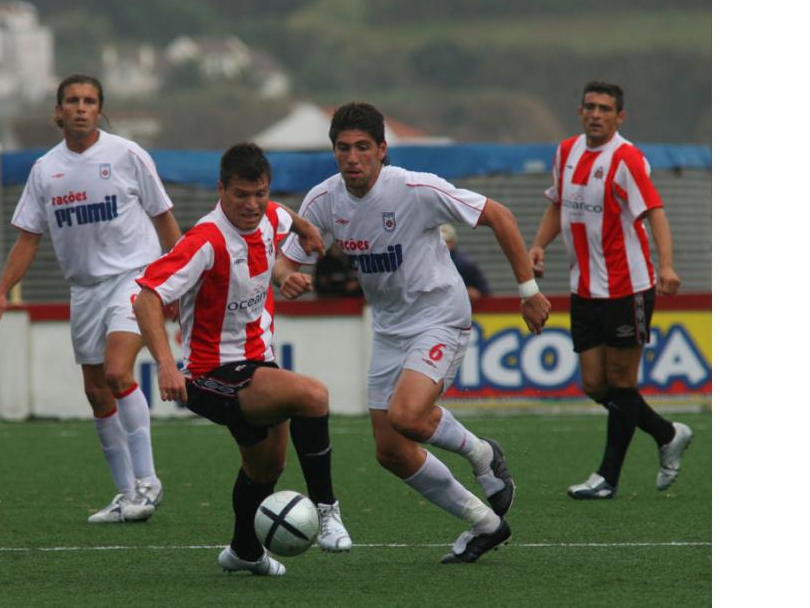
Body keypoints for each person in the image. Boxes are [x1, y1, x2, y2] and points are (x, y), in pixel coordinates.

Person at [275, 102, 551, 565]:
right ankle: (485, 524)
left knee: (406, 416)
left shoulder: (415, 189)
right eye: (343, 148)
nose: (353, 157)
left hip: (440, 315)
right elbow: (287, 259)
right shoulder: (323, 201)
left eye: (363, 147)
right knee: (391, 451)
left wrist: (528, 291)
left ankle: (482, 453)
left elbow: (499, 215)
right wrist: (285, 275)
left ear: (382, 151)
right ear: (334, 153)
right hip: (389, 328)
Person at [133, 143, 352, 576]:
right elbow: (147, 297)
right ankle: (328, 512)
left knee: (266, 467)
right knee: (311, 395)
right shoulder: (206, 240)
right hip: (209, 376)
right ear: (221, 190)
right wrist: (163, 362)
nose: (252, 205)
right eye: (240, 195)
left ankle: (244, 551)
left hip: (257, 364)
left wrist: (302, 236)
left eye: (260, 193)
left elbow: (283, 215)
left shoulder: (269, 216)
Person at [0, 74, 180, 523]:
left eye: (89, 101)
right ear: (58, 112)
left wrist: (176, 282)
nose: (80, 108)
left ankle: (149, 482)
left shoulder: (128, 155)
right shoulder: (44, 170)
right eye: (72, 101)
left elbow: (165, 219)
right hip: (85, 289)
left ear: (100, 110)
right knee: (97, 394)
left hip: (135, 278)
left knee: (117, 371)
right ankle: (126, 494)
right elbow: (27, 240)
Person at [528, 81, 693, 500]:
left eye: (605, 108)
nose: (596, 114)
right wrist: (537, 245)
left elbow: (654, 213)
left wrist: (667, 265)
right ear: (580, 111)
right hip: (583, 287)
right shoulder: (566, 152)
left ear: (620, 117)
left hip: (628, 287)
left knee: (621, 380)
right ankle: (667, 432)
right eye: (589, 107)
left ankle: (607, 478)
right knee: (593, 383)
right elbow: (558, 204)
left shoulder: (626, 159)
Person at [440, 223, 491, 303]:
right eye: (441, 242)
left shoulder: (465, 264)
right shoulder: (429, 263)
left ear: (453, 242)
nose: (443, 245)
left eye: (446, 241)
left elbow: (485, 293)